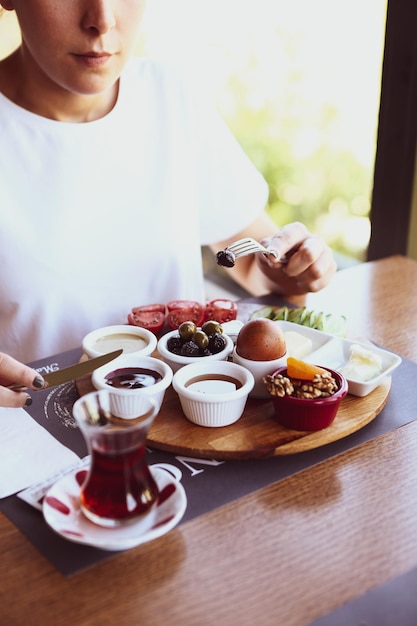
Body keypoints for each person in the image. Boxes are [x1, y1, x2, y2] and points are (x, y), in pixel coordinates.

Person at [0, 1, 336, 405]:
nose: (102, 20)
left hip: (186, 419)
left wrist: (295, 268)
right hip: (36, 428)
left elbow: (253, 262)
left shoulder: (167, 96)